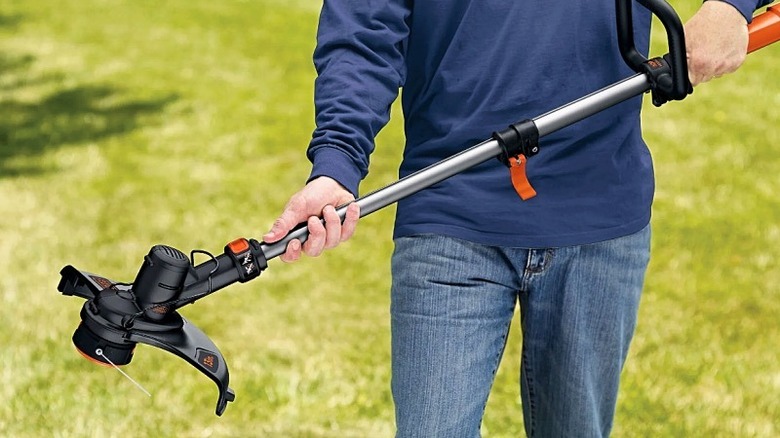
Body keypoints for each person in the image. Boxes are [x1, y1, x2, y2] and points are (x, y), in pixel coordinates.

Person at [263, 0, 771, 436]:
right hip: (451, 208)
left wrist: (731, 6)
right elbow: (364, 30)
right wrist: (336, 161)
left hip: (599, 211)